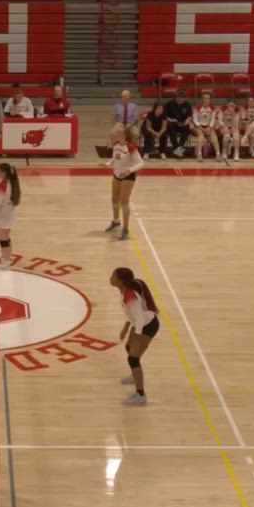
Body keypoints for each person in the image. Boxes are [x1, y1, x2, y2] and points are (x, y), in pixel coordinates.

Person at [111, 267, 158, 406]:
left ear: (120, 281)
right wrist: (126, 327)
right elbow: (133, 314)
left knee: (133, 358)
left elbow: (139, 319)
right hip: (140, 324)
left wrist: (137, 336)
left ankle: (141, 395)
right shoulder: (126, 290)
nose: (110, 278)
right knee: (129, 347)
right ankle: (135, 375)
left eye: (113, 276)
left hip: (147, 326)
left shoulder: (129, 294)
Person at [103, 126, 144, 240]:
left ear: (124, 134)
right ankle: (116, 222)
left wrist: (129, 170)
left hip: (128, 176)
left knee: (124, 202)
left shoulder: (130, 147)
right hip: (116, 175)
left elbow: (141, 163)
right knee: (114, 199)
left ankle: (125, 230)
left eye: (119, 131)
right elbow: (114, 160)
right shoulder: (116, 145)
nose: (116, 132)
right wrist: (107, 164)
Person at [0, 162, 21, 268]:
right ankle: (8, 257)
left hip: (1, 217)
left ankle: (6, 261)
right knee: (6, 237)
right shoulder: (13, 183)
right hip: (9, 216)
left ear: (3, 173)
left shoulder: (2, 186)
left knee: (3, 240)